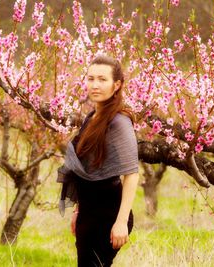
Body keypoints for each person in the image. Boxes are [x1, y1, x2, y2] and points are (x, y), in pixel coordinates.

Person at [57, 55, 139, 267]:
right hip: (88, 213)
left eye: (102, 79)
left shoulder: (119, 122)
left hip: (108, 214)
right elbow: (86, 168)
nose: (95, 85)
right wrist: (78, 210)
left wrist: (121, 222)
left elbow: (131, 174)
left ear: (117, 84)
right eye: (91, 78)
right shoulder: (92, 117)